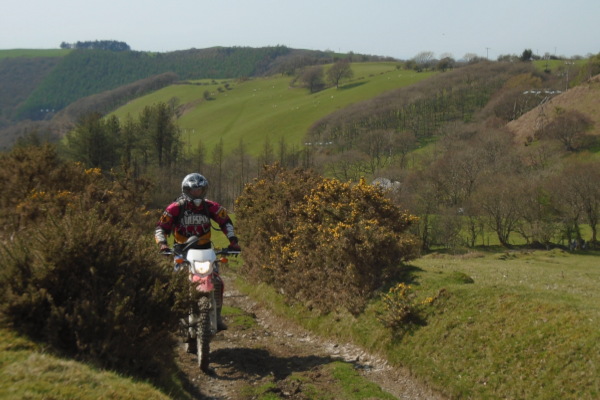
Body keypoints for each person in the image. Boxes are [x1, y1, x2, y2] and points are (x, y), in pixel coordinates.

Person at [155, 173, 240, 332]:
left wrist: (233, 241)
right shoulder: (175, 207)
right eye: (193, 191)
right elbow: (161, 227)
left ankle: (218, 316)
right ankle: (174, 317)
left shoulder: (210, 206)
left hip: (206, 250)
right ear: (186, 190)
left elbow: (226, 222)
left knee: (218, 282)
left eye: (200, 190)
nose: (197, 194)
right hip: (182, 251)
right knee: (174, 283)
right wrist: (162, 245)